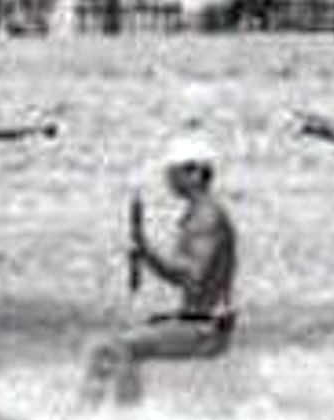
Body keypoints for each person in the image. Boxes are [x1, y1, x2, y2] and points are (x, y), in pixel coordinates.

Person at [83, 132, 237, 406]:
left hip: (205, 329)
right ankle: (105, 416)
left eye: (173, 172)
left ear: (195, 173)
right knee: (112, 347)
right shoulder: (198, 213)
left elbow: (190, 276)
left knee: (115, 348)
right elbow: (184, 277)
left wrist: (145, 248)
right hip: (195, 322)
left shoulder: (207, 217)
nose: (167, 179)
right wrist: (146, 253)